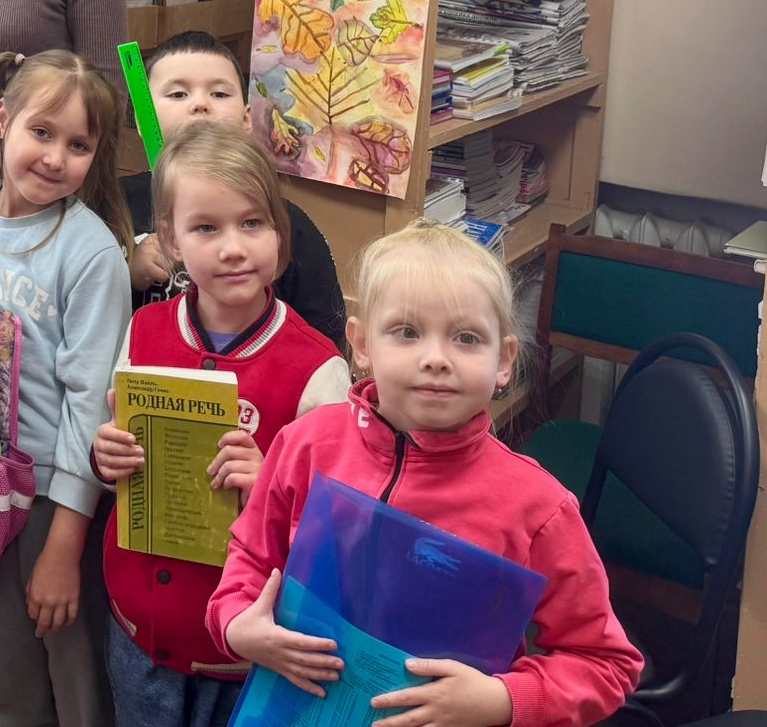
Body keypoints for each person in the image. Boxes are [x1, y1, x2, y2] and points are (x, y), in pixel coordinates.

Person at [209, 220, 644, 727]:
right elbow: (251, 558)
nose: (435, 359)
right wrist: (236, 624)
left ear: (503, 360)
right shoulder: (305, 445)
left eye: (466, 338)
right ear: (361, 344)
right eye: (407, 332)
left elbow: (606, 663)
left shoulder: (538, 508)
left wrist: (502, 700)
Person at [91, 122, 350, 727]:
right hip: (138, 629)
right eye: (206, 228)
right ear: (171, 240)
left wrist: (271, 488)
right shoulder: (145, 330)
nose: (233, 247)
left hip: (245, 653)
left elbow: (337, 529)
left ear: (280, 233)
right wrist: (107, 460)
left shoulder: (318, 369)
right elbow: (118, 460)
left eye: (252, 223)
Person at [0, 50, 132, 727]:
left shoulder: (92, 252)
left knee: (74, 666)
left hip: (49, 500)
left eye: (78, 145)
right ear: (2, 119)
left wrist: (65, 541)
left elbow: (89, 402)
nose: (55, 157)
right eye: (42, 131)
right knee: (5, 666)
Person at [124, 31, 347, 348]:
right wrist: (127, 275)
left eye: (218, 93)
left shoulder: (290, 224)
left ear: (246, 119)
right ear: (141, 118)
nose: (200, 104)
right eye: (178, 94)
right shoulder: (115, 206)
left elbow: (325, 342)